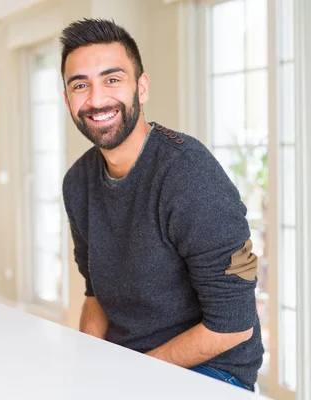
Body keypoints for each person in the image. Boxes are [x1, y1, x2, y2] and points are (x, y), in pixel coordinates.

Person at [60, 18, 264, 392]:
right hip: (130, 364)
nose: (96, 99)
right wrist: (85, 370)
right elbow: (97, 296)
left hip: (214, 372)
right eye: (80, 85)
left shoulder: (190, 176)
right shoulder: (78, 183)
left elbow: (234, 326)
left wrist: (131, 377)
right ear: (68, 100)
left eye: (112, 79)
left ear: (142, 87)